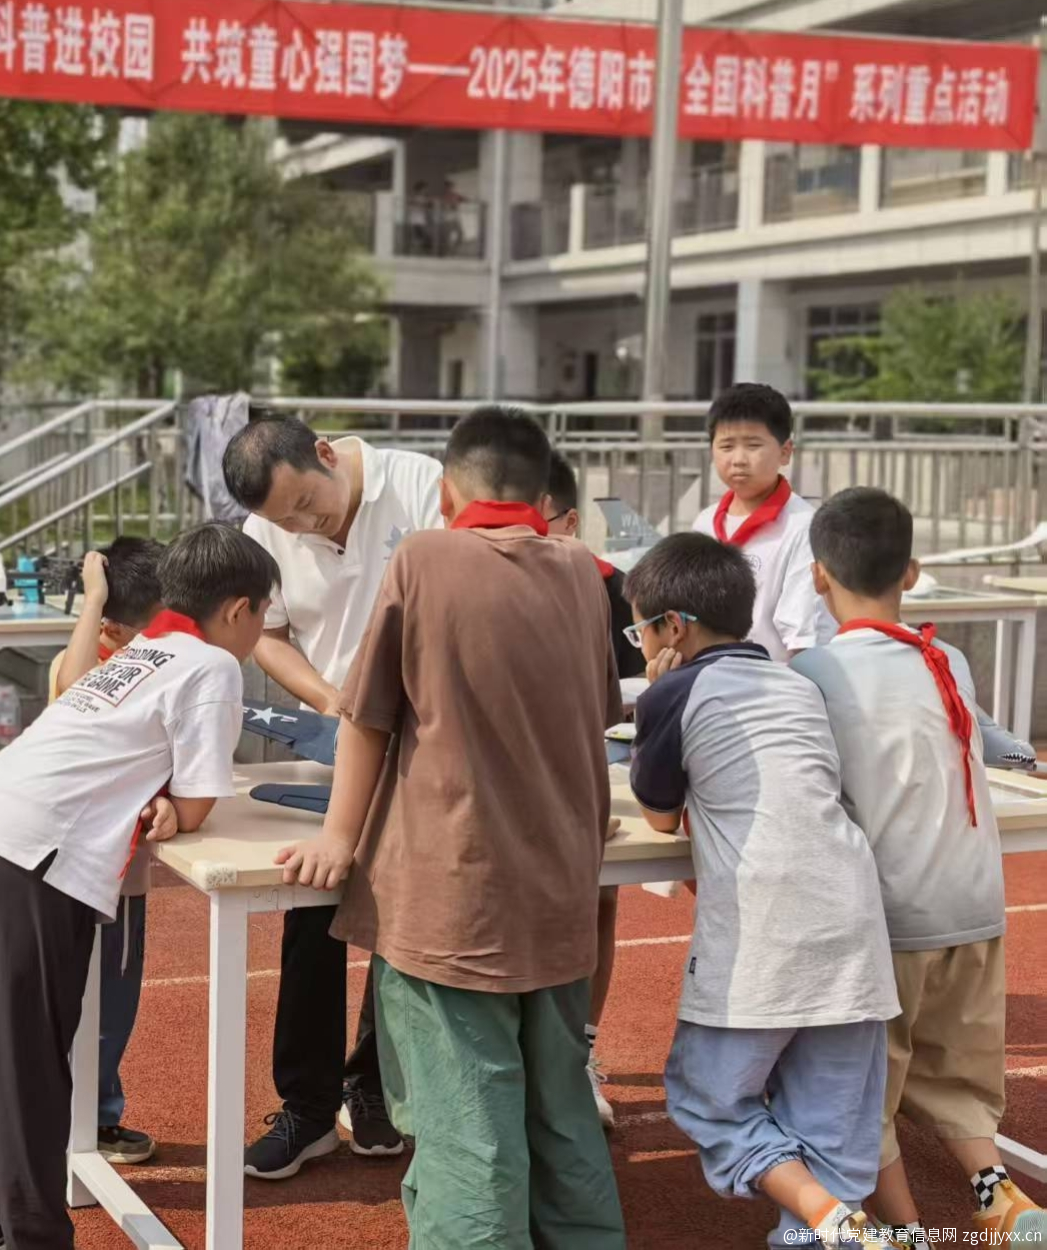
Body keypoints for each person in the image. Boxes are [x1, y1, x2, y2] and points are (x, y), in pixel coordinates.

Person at [277, 407, 626, 1249]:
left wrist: (337, 837)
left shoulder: (423, 557)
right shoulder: (582, 572)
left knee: (467, 1121)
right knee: (559, 1108)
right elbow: (595, 715)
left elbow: (365, 717)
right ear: (543, 496)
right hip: (558, 886)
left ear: (444, 492)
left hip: (455, 896)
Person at [0, 523, 278, 1250]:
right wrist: (173, 805)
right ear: (239, 609)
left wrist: (162, 799)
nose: (261, 634)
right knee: (29, 1070)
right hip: (31, 864)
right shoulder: (213, 665)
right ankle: (31, 1239)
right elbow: (198, 801)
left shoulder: (139, 649)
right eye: (264, 616)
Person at [625, 531, 899, 1249]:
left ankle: (828, 1216)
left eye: (639, 628)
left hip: (764, 925)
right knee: (833, 1123)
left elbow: (659, 815)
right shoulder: (797, 682)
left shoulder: (674, 691)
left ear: (672, 627)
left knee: (706, 1095)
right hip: (851, 918)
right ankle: (832, 1223)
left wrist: (653, 695)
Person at [794, 487, 1046, 1248]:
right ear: (912, 573)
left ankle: (907, 1230)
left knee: (860, 1087)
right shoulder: (949, 658)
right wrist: (1025, 757)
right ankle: (999, 1197)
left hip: (892, 912)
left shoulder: (815, 669)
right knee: (958, 1069)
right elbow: (1000, 743)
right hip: (976, 899)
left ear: (817, 575)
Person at [223, 413, 442, 1178]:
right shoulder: (267, 529)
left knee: (403, 915)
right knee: (312, 904)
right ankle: (308, 1105)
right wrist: (328, 698)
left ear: (325, 454)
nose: (302, 527)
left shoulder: (419, 485)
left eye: (307, 506)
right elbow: (267, 633)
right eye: (285, 522)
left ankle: (371, 1083)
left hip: (428, 738)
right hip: (339, 736)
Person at [46, 536, 167, 1168]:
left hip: (116, 871)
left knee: (111, 1003)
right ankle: (86, 1120)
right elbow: (71, 690)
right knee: (100, 1005)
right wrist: (92, 600)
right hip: (96, 873)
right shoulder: (93, 660)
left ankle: (94, 1113)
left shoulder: (149, 656)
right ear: (114, 627)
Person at [543, 449, 642, 1129]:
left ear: (570, 522)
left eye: (533, 522)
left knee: (598, 897)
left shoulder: (617, 591)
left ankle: (576, 1052)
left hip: (597, 768)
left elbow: (638, 692)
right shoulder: (472, 583)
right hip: (505, 777)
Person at [691, 383, 832, 661]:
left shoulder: (804, 527)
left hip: (775, 678)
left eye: (753, 446)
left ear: (785, 452)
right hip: (707, 674)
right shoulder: (704, 524)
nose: (738, 460)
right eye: (726, 446)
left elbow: (804, 636)